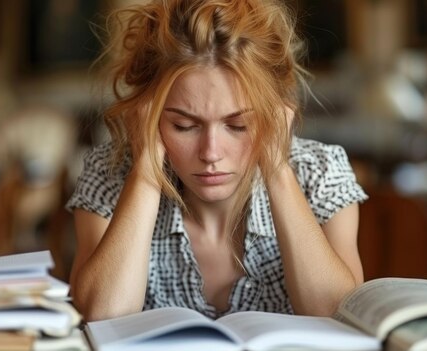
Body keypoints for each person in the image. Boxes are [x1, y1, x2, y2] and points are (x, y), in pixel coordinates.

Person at [66, 0, 368, 322]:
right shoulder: (108, 173)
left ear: (273, 117)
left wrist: (278, 170)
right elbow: (101, 314)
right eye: (184, 126)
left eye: (238, 126)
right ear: (147, 119)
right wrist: (145, 173)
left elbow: (337, 315)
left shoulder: (321, 174)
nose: (211, 153)